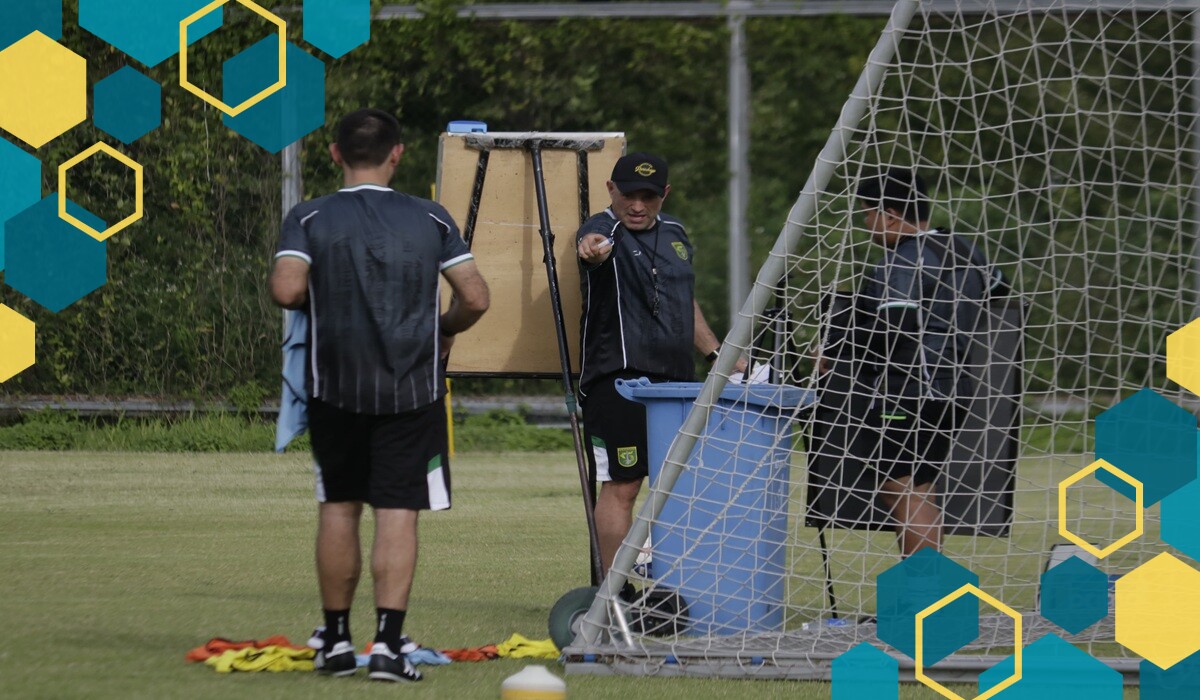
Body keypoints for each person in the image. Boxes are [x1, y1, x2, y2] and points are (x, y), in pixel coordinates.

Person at [269, 108, 489, 682]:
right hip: (410, 391)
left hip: (334, 388)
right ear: (398, 154)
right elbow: (477, 297)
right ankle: (389, 648)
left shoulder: (309, 215)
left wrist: (325, 301)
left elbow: (287, 288)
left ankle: (337, 644)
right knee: (398, 514)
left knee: (339, 507)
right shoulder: (431, 219)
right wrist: (444, 329)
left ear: (336, 154)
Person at [576, 151, 746, 580]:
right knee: (623, 484)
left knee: (675, 491)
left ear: (664, 195)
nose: (637, 205)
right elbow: (591, 249)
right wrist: (593, 252)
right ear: (611, 190)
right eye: (629, 194)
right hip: (620, 382)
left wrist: (719, 356)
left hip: (676, 385)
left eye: (648, 197)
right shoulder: (601, 229)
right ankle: (611, 596)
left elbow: (683, 303)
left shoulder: (675, 234)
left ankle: (673, 587)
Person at [849, 166, 1006, 557]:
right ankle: (923, 598)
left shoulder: (903, 257)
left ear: (889, 214)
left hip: (909, 391)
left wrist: (836, 350)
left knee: (903, 494)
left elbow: (896, 324)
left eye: (868, 214)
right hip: (955, 389)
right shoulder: (964, 249)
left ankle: (922, 598)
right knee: (918, 490)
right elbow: (999, 286)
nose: (868, 226)